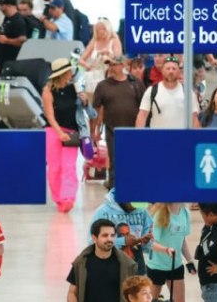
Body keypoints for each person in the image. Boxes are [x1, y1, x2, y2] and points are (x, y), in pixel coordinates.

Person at [146, 203, 195, 302]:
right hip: (157, 266)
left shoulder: (185, 213)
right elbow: (151, 243)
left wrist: (190, 260)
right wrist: (165, 250)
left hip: (176, 265)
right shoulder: (160, 212)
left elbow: (182, 241)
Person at [92, 55, 145, 189]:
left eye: (114, 64)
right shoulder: (103, 86)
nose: (111, 67)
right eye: (109, 64)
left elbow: (144, 108)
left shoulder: (136, 84)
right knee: (115, 162)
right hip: (113, 131)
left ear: (122, 66)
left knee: (134, 161)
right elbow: (97, 110)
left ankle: (133, 188)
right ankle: (115, 191)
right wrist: (95, 130)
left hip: (134, 131)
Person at [42, 57, 85, 212]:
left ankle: (68, 198)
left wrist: (85, 100)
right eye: (68, 72)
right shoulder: (48, 91)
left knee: (69, 166)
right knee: (55, 167)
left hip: (72, 132)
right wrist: (59, 133)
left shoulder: (74, 89)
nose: (70, 74)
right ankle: (58, 198)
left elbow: (84, 109)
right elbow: (49, 115)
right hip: (53, 131)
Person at [136, 55, 200, 130]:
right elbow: (142, 116)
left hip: (181, 139)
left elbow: (194, 119)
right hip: (157, 139)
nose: (171, 71)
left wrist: (197, 138)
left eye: (174, 69)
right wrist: (138, 138)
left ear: (179, 72)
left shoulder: (188, 93)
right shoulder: (151, 91)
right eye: (168, 68)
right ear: (162, 71)